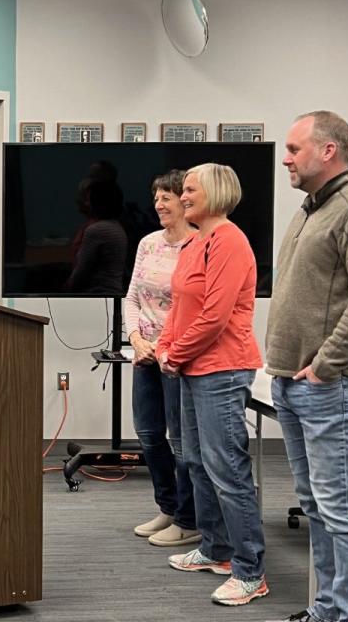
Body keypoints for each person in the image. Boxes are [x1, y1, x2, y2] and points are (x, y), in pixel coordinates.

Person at [265, 111, 348, 622]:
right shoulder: (311, 209)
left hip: (334, 385)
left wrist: (324, 366)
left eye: (294, 148)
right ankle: (329, 607)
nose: (285, 158)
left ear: (328, 151)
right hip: (294, 382)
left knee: (343, 511)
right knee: (318, 507)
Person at [156, 163, 268, 607]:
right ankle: (217, 549)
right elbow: (178, 307)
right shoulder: (196, 240)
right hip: (191, 368)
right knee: (198, 464)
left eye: (189, 190)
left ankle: (250, 571)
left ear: (216, 193)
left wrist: (174, 354)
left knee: (227, 470)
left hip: (222, 369)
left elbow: (215, 316)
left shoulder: (230, 241)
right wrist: (167, 346)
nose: (182, 197)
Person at [123, 170, 199, 547]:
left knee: (181, 441)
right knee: (150, 436)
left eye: (165, 197)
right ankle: (167, 508)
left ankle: (188, 519)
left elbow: (202, 308)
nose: (158, 205)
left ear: (184, 202)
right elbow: (133, 297)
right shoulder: (149, 243)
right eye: (155, 198)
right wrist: (136, 339)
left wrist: (171, 348)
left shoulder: (201, 244)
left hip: (180, 359)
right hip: (146, 355)